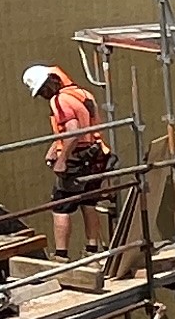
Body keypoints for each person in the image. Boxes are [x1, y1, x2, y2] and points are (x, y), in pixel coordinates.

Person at [22, 63, 111, 257]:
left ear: (53, 82)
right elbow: (84, 126)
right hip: (95, 153)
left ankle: (61, 255)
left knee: (60, 206)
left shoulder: (60, 100)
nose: (44, 95)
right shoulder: (81, 93)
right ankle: (92, 250)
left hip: (77, 157)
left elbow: (73, 131)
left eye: (43, 90)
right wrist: (55, 147)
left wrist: (62, 159)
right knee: (89, 202)